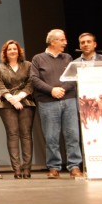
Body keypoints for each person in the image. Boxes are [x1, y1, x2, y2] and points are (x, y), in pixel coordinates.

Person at [30, 29, 83, 179]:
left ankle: (74, 166)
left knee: (72, 134)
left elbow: (73, 78)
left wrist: (62, 90)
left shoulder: (67, 57)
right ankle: (54, 167)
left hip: (68, 100)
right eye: (62, 40)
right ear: (52, 42)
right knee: (51, 136)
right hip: (48, 102)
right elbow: (34, 79)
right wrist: (51, 90)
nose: (65, 43)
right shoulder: (38, 58)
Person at [0, 40, 36, 179]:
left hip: (26, 102)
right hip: (6, 104)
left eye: (15, 49)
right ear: (5, 52)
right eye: (9, 49)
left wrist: (19, 98)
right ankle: (17, 169)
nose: (12, 51)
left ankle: (27, 169)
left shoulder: (28, 65)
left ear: (19, 51)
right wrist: (12, 99)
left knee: (26, 135)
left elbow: (31, 83)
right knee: (12, 135)